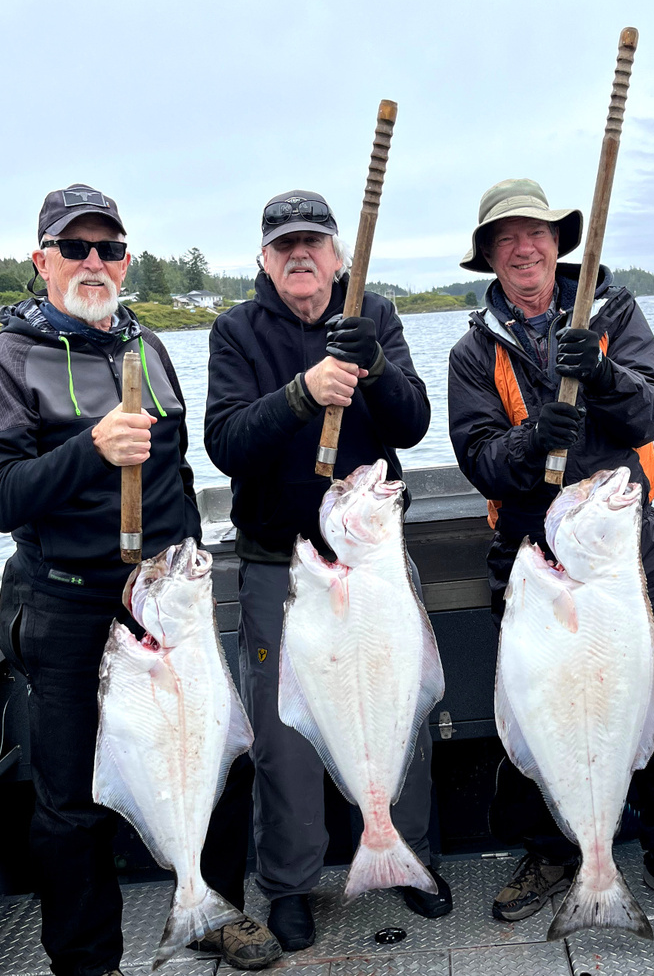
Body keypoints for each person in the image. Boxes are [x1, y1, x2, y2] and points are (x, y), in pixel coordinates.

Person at [0, 183, 281, 976]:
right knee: (72, 797)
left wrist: (187, 559)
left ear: (126, 260)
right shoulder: (6, 362)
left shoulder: (151, 348)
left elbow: (177, 469)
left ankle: (210, 907)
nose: (93, 262)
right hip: (67, 604)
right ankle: (87, 960)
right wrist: (91, 449)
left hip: (167, 604)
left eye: (108, 248)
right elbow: (1, 497)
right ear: (42, 259)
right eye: (74, 247)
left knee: (219, 759)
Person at [448, 178, 654, 928]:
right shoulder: (473, 351)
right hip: (534, 553)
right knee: (535, 703)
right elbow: (480, 459)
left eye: (534, 233)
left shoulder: (614, 312)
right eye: (506, 239)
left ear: (558, 242)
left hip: (625, 549)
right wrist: (535, 440)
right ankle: (551, 852)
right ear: (489, 256)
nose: (523, 249)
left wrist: (602, 373)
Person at [204, 189, 453, 952]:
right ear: (264, 258)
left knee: (400, 710)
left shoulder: (374, 314)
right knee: (283, 735)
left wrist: (374, 366)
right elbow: (224, 441)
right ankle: (289, 882)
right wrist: (301, 393)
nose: (300, 254)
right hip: (281, 567)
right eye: (284, 245)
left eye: (312, 241)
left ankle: (407, 854)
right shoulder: (236, 331)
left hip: (374, 566)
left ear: (339, 255)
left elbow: (413, 420)